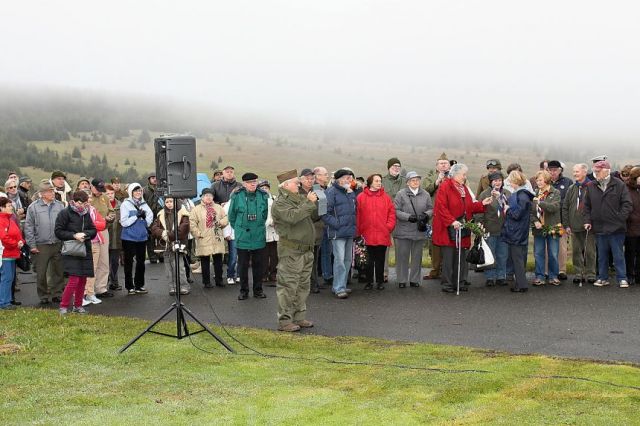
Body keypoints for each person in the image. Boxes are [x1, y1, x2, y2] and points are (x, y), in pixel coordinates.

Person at [432, 164, 492, 293]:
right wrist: (451, 221)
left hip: (463, 227)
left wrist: (482, 204)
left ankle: (459, 281)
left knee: (461, 256)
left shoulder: (463, 188)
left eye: (465, 174)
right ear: (455, 174)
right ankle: (448, 283)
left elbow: (469, 207)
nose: (465, 177)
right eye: (463, 174)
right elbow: (441, 207)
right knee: (449, 257)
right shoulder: (445, 186)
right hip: (449, 229)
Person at [271, 169, 318, 332]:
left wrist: (316, 202)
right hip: (291, 251)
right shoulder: (280, 203)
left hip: (305, 250)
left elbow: (310, 216)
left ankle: (299, 317)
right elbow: (292, 217)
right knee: (288, 286)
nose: (299, 184)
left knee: (302, 286)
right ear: (285, 185)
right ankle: (285, 321)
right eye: (295, 182)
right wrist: (309, 203)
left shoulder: (297, 199)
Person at [583, 160, 633, 287]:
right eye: (595, 171)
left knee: (618, 255)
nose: (596, 173)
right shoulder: (591, 186)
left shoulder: (619, 184)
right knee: (602, 255)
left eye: (598, 171)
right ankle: (602, 278)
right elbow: (587, 206)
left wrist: (619, 218)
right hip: (599, 227)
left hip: (616, 228)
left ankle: (622, 278)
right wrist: (588, 221)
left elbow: (627, 204)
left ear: (606, 171)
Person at [54, 191, 98, 314]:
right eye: (80, 203)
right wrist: (74, 235)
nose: (83, 206)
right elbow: (58, 232)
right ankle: (63, 306)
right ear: (74, 201)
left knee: (83, 279)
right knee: (74, 279)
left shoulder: (86, 214)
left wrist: (85, 234)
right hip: (71, 250)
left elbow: (93, 230)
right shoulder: (64, 213)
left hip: (84, 249)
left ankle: (78, 306)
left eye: (85, 203)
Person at [23, 180, 65, 304]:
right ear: (42, 193)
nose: (52, 193)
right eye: (49, 191)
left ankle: (57, 293)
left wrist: (64, 242)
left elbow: (64, 224)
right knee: (41, 272)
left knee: (58, 271)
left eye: (53, 190)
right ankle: (43, 296)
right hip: (41, 245)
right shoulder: (33, 207)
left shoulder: (60, 206)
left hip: (57, 243)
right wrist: (32, 245)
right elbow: (28, 227)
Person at [229, 172, 269, 300]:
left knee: (259, 265)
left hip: (258, 235)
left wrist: (258, 226)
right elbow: (232, 216)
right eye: (250, 182)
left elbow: (265, 214)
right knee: (243, 265)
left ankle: (258, 290)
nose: (253, 184)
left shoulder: (263, 196)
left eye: (255, 182)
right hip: (243, 236)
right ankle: (243, 291)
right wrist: (239, 229)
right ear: (244, 184)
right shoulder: (237, 196)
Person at [357, 174, 396, 290]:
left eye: (380, 181)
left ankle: (379, 282)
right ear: (370, 183)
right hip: (366, 234)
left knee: (380, 260)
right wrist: (358, 232)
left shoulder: (386, 197)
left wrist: (388, 227)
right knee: (368, 260)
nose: (379, 183)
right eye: (376, 181)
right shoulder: (360, 197)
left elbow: (392, 214)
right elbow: (357, 216)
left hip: (382, 234)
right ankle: (369, 282)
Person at [322, 169, 357, 299]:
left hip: (349, 232)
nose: (349, 180)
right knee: (339, 261)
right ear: (339, 179)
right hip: (337, 233)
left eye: (350, 178)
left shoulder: (349, 193)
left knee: (347, 260)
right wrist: (337, 224)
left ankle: (340, 284)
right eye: (347, 178)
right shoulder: (330, 192)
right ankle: (338, 288)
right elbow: (324, 213)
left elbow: (354, 212)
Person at [562, 164, 596, 284]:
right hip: (574, 226)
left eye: (577, 171)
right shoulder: (572, 188)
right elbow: (565, 207)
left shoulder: (592, 186)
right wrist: (566, 225)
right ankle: (578, 273)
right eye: (573, 171)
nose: (574, 174)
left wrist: (591, 221)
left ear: (585, 172)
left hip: (589, 226)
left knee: (590, 251)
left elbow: (596, 206)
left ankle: (591, 273)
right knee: (576, 251)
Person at [502, 171, 534, 293]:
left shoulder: (521, 196)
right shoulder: (523, 195)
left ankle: (521, 285)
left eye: (510, 180)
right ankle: (521, 283)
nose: (508, 182)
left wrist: (507, 209)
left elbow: (517, 214)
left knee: (517, 259)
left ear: (514, 181)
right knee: (518, 258)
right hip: (520, 231)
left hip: (516, 232)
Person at [150, 197, 191, 295]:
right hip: (165, 245)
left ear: (175, 201)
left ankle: (183, 286)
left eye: (171, 201)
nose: (169, 203)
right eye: (167, 202)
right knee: (168, 268)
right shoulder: (160, 214)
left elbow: (184, 229)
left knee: (179, 266)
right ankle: (173, 286)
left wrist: (168, 235)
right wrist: (163, 233)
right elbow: (154, 228)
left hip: (178, 244)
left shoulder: (183, 213)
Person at [476, 172, 510, 286]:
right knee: (490, 254)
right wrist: (480, 224)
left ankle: (501, 276)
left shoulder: (507, 193)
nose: (497, 182)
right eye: (495, 180)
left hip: (504, 230)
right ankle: (490, 277)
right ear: (491, 182)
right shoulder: (485, 194)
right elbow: (480, 210)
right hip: (489, 229)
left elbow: (510, 209)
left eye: (499, 180)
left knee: (502, 254)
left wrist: (500, 198)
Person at [190, 188, 229, 288]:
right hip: (203, 237)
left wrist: (221, 222)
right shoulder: (196, 209)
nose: (208, 197)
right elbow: (192, 223)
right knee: (205, 261)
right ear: (202, 197)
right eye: (206, 195)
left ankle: (219, 280)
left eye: (210, 196)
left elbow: (225, 218)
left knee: (218, 261)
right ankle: (206, 282)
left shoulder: (218, 207)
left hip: (216, 237)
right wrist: (198, 234)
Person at [120, 182, 153, 295]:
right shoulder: (126, 204)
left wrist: (144, 219)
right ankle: (129, 287)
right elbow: (124, 222)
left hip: (142, 237)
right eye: (136, 191)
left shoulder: (144, 204)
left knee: (141, 263)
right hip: (129, 238)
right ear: (131, 192)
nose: (138, 193)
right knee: (129, 263)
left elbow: (149, 218)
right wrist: (136, 216)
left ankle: (139, 285)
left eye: (140, 191)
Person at [211, 165, 242, 285]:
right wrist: (220, 205)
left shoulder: (239, 186)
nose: (229, 173)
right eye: (227, 172)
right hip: (218, 220)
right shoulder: (215, 185)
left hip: (235, 227)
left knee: (236, 254)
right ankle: (219, 273)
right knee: (218, 251)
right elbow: (210, 199)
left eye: (231, 172)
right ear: (223, 173)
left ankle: (237, 274)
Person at [423, 152, 452, 280]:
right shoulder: (430, 177)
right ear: (436, 166)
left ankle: (447, 270)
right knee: (434, 244)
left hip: (450, 215)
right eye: (441, 164)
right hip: (434, 216)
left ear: (449, 166)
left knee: (449, 242)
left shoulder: (454, 177)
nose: (443, 166)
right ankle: (435, 270)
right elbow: (425, 191)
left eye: (446, 163)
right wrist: (437, 181)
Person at [530, 170, 562, 286]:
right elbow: (530, 211)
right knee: (538, 253)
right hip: (538, 228)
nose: (538, 182)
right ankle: (540, 276)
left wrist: (540, 202)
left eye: (540, 180)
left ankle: (553, 276)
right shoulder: (534, 193)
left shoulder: (555, 192)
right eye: (537, 180)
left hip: (553, 227)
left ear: (547, 180)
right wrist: (535, 221)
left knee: (553, 253)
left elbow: (554, 207)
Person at [87, 178, 115, 299]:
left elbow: (111, 211)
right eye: (97, 189)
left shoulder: (104, 197)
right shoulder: (87, 198)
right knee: (93, 262)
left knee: (104, 260)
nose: (99, 192)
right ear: (91, 187)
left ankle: (101, 288)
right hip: (91, 233)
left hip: (103, 231)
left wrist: (110, 217)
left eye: (101, 190)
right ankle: (89, 290)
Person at [381, 157, 406, 283]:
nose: (396, 168)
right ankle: (383, 273)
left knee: (400, 248)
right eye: (394, 166)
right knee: (384, 247)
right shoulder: (382, 181)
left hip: (401, 218)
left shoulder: (405, 181)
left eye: (398, 166)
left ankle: (400, 275)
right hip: (385, 218)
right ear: (389, 167)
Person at [548, 160, 573, 281]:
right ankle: (547, 270)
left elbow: (570, 202)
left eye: (555, 170)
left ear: (560, 170)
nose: (553, 172)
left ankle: (561, 270)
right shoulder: (544, 182)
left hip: (561, 220)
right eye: (550, 170)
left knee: (561, 247)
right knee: (548, 247)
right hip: (547, 220)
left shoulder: (567, 182)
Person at [0, 197, 25, 310]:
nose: (11, 208)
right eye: (9, 206)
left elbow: (18, 234)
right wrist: (16, 244)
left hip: (12, 253)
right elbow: (4, 238)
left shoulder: (10, 219)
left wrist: (21, 242)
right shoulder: (2, 220)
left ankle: (7, 300)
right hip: (5, 254)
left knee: (9, 278)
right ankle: (4, 302)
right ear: (1, 208)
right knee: (7, 278)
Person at [313, 166, 333, 289]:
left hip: (326, 224)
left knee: (326, 251)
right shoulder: (315, 189)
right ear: (318, 176)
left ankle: (327, 275)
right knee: (315, 254)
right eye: (325, 174)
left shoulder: (326, 188)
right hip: (318, 225)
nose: (327, 176)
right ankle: (317, 278)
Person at [259, 180, 279, 285]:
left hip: (275, 231)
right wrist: (268, 222)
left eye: (266, 188)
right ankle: (264, 274)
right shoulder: (258, 200)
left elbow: (278, 212)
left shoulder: (274, 198)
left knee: (274, 255)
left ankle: (273, 273)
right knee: (264, 255)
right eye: (262, 188)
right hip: (263, 231)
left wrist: (276, 221)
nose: (264, 190)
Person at [105, 185, 123, 291]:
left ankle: (114, 282)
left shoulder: (120, 206)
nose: (110, 195)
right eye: (107, 194)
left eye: (111, 193)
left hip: (117, 238)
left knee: (115, 262)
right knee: (104, 263)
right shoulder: (103, 205)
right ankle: (103, 284)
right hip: (105, 238)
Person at [624, 167, 640, 285]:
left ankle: (638, 275)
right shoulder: (627, 190)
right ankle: (630, 275)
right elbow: (625, 208)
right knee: (630, 253)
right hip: (630, 227)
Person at [143, 172, 162, 264]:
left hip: (160, 217)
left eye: (156, 177)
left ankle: (161, 254)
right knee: (150, 238)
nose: (155, 179)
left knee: (160, 236)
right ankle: (152, 256)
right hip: (149, 217)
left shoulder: (162, 189)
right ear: (149, 179)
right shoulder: (144, 190)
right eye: (152, 177)